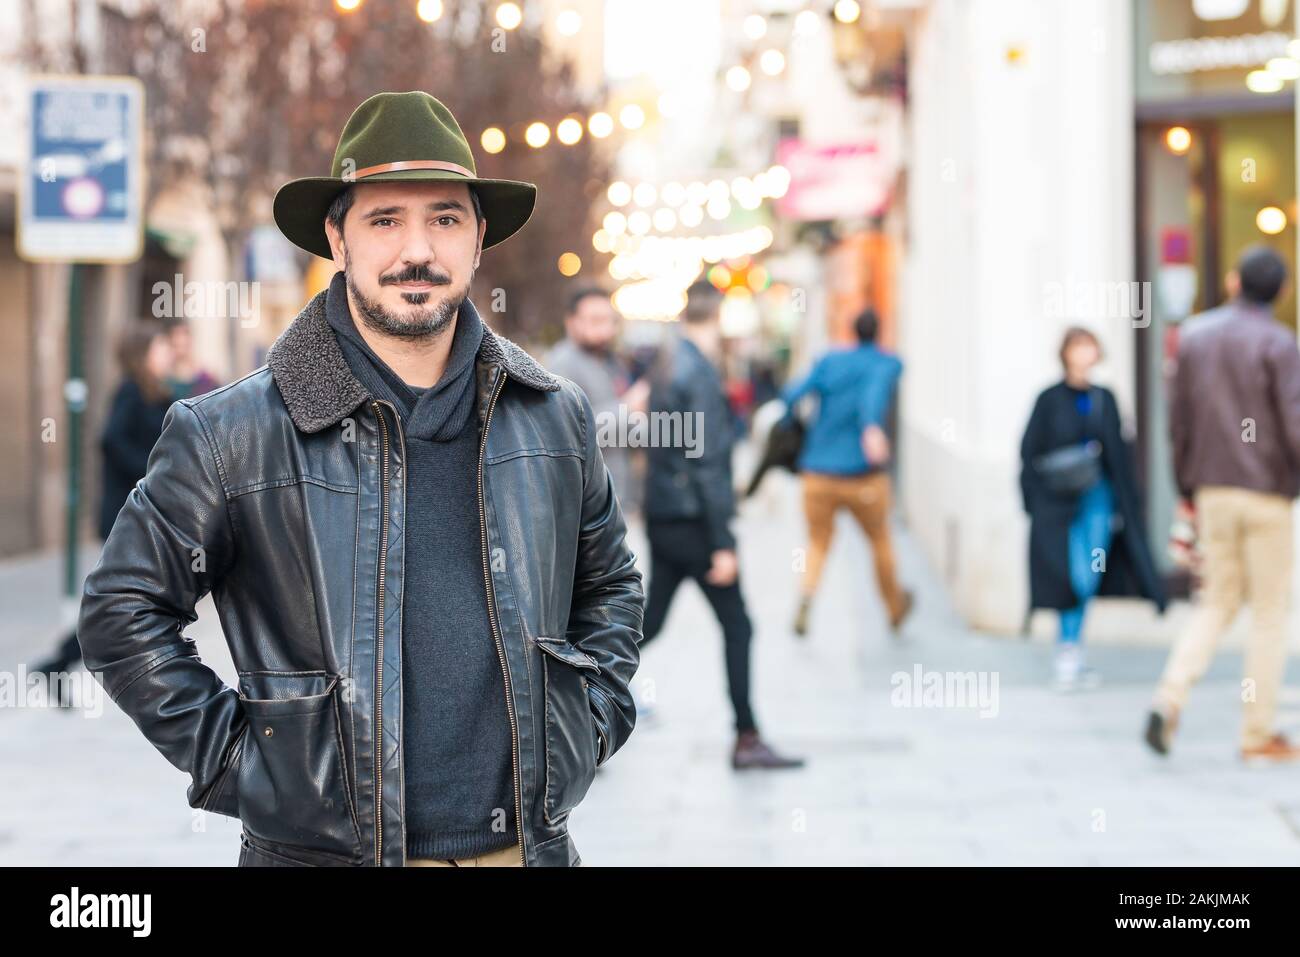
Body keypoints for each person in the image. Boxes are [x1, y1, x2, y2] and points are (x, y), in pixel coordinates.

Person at [77, 91, 643, 868]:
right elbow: (120, 608)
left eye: (445, 218)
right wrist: (244, 763)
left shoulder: (552, 417)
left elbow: (610, 582)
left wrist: (590, 721)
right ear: (337, 238)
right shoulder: (234, 432)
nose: (418, 249)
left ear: (479, 239)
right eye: (385, 220)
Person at [640, 279, 804, 770]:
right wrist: (724, 543)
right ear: (718, 316)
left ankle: (568, 684)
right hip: (692, 522)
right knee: (738, 625)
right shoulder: (701, 374)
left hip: (666, 515)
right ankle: (747, 736)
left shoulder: (667, 363)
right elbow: (708, 463)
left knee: (650, 621)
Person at [1147, 245, 1300, 762]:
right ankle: (1256, 733)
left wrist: (1188, 486)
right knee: (1269, 612)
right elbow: (1296, 426)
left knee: (1216, 602)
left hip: (1213, 488)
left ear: (1234, 282)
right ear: (1280, 291)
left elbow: (1178, 423)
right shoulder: (1280, 344)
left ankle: (1169, 697)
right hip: (1267, 494)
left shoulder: (1194, 337)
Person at [32, 323, 174, 707]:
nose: (167, 354)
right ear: (142, 353)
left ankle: (57, 664)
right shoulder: (130, 391)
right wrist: (150, 473)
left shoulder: (156, 392)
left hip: (144, 513)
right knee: (119, 605)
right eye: (160, 348)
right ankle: (60, 663)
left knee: (123, 604)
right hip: (125, 515)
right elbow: (110, 440)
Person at [1020, 327, 1167, 691]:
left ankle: (1072, 649)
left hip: (1098, 499)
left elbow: (1120, 452)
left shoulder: (1105, 398)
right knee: (1070, 573)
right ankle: (1068, 649)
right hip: (1059, 503)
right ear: (1066, 352)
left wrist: (1128, 503)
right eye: (1078, 347)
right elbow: (1030, 451)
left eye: (1090, 347)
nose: (1085, 354)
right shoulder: (1049, 399)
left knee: (1090, 571)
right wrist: (1034, 500)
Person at [782, 308, 911, 638]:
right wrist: (870, 426)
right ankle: (895, 608)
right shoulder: (886, 363)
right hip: (863, 475)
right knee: (880, 542)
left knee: (818, 543)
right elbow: (873, 394)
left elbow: (792, 396)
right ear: (879, 331)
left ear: (852, 330)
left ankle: (807, 597)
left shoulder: (828, 361)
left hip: (818, 473)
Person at [545, 286, 648, 516]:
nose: (605, 328)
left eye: (609, 320)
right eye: (595, 319)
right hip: (583, 506)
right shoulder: (562, 364)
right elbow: (567, 432)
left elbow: (628, 430)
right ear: (571, 322)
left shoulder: (610, 362)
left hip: (614, 497)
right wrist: (628, 407)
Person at [162, 318, 220, 399]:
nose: (181, 340)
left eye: (185, 334)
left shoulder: (206, 378)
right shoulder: (164, 379)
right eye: (177, 335)